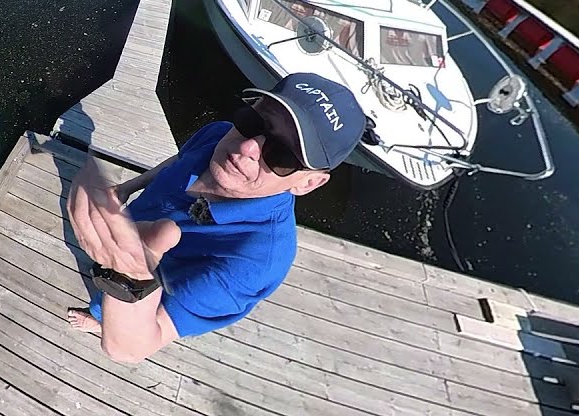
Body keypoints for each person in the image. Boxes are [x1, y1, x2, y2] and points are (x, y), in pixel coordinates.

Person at [65, 72, 367, 364]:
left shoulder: (254, 261)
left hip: (140, 286)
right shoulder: (219, 135)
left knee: (114, 311)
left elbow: (130, 349)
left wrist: (130, 273)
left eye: (282, 154)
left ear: (308, 183)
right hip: (125, 232)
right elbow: (180, 160)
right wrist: (126, 188)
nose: (247, 148)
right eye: (253, 122)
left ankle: (98, 319)